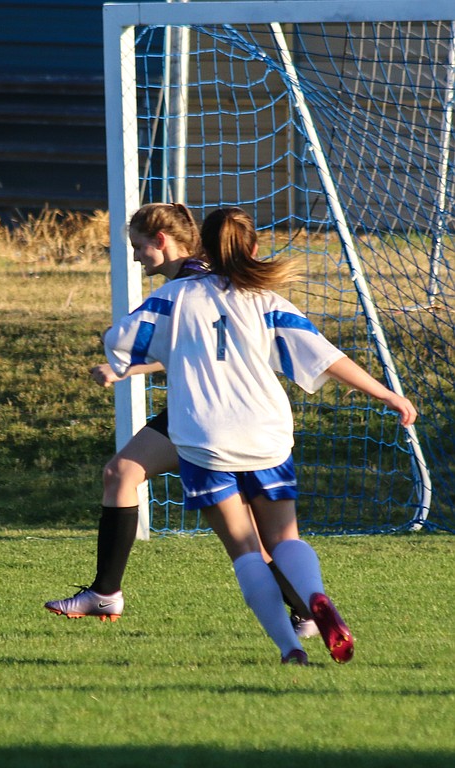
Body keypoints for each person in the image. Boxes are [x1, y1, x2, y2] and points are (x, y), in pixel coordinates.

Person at [102, 206, 417, 664]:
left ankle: (290, 648)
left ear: (203, 248)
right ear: (251, 249)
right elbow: (327, 358)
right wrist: (388, 395)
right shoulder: (268, 302)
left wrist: (129, 362)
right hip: (266, 433)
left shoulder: (173, 298)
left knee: (247, 550)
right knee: (285, 540)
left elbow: (121, 340)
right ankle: (314, 599)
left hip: (204, 439)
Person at [44, 203, 318, 639]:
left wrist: (123, 365)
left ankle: (307, 612)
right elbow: (185, 345)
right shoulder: (191, 280)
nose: (135, 257)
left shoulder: (196, 282)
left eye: (138, 247)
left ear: (162, 241)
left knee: (253, 542)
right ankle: (105, 592)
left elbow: (206, 345)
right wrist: (127, 369)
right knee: (121, 473)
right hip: (207, 411)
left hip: (214, 414)